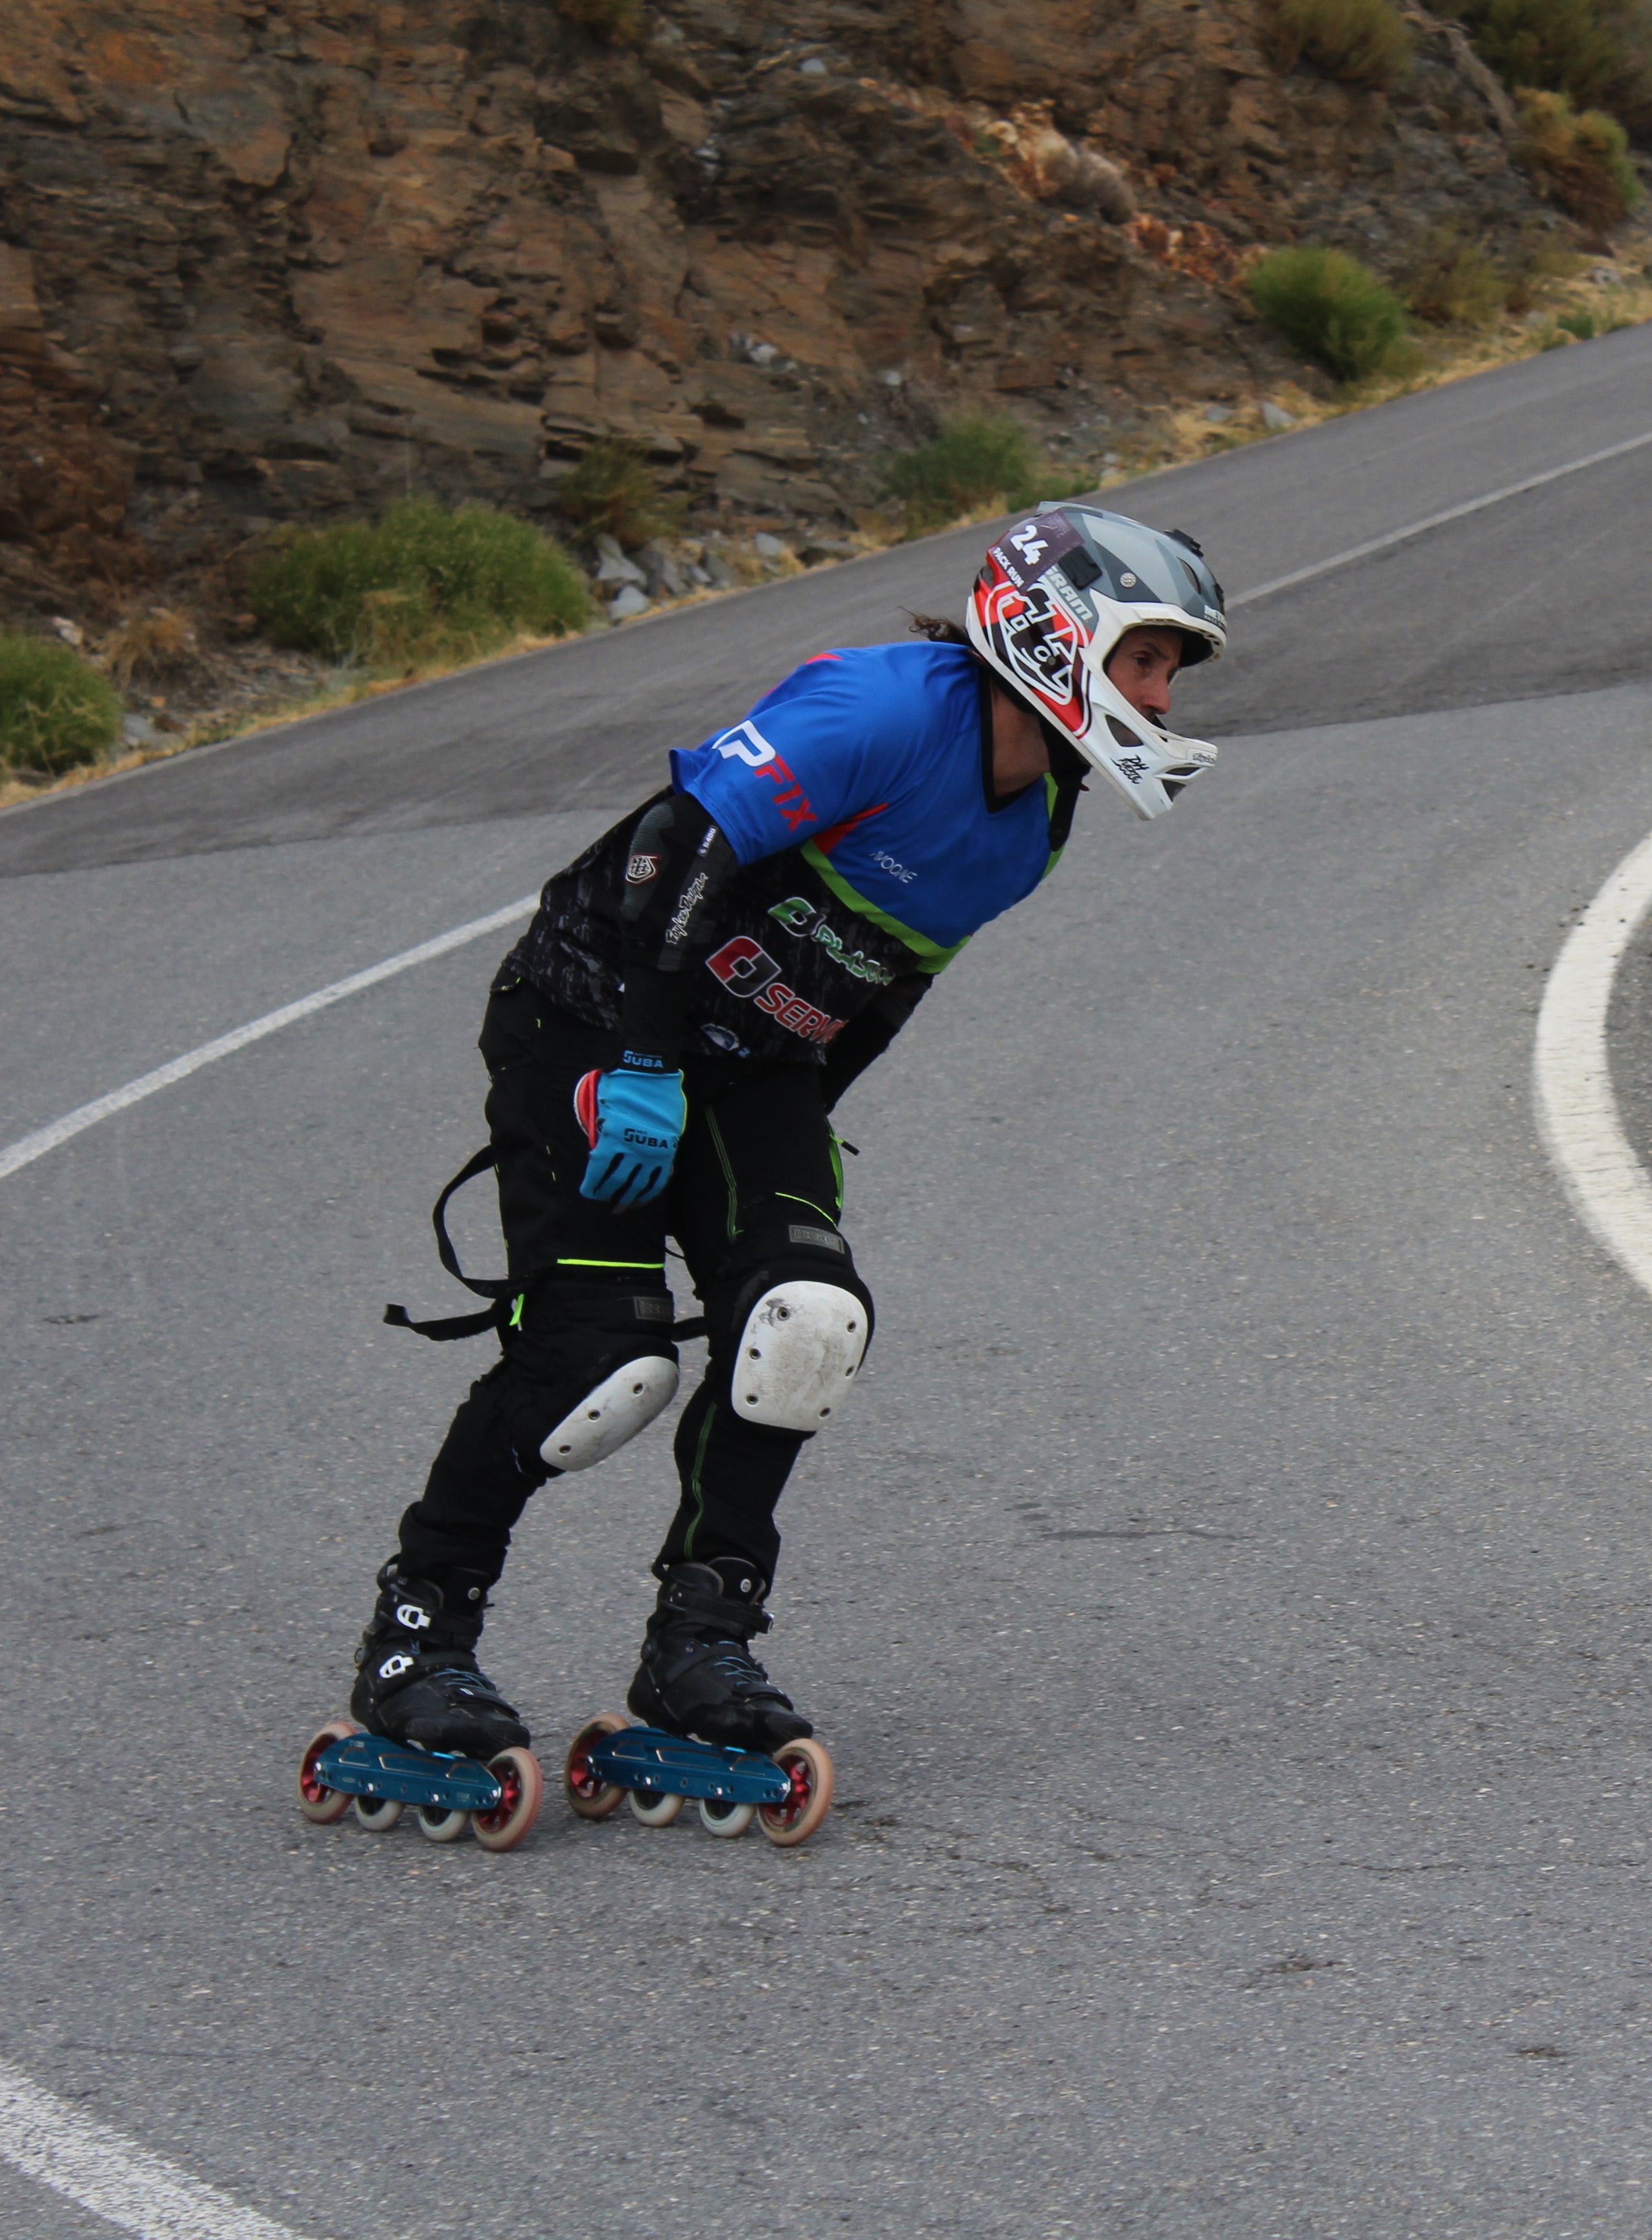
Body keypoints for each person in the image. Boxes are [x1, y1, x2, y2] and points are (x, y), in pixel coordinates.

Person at [345, 503, 1227, 1760]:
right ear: (1054, 634)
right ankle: (418, 1634)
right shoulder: (880, 713)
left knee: (805, 1317)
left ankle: (700, 1641)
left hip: (757, 1068)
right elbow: (673, 848)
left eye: (1173, 670)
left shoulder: (1038, 818)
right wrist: (643, 1060)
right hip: (593, 1014)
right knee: (597, 1367)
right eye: (1146, 659)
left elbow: (888, 979)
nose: (1163, 694)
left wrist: (787, 1146)